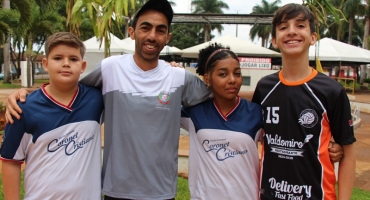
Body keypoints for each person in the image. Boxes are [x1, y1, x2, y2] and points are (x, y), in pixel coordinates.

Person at [251, 4, 356, 199]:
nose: (291, 32)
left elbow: (348, 154)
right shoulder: (264, 87)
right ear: (274, 40)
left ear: (313, 37)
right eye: (283, 27)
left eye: (300, 26)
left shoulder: (332, 91)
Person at [0, 32, 104, 199]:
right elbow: (11, 161)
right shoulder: (24, 108)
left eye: (73, 59)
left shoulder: (97, 99)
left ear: (83, 66)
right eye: (57, 58)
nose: (66, 64)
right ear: (45, 64)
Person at [181, 43, 263, 199]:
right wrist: (170, 72)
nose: (232, 80)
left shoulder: (257, 113)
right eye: (223, 74)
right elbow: (163, 104)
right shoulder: (194, 113)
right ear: (207, 78)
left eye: (237, 73)